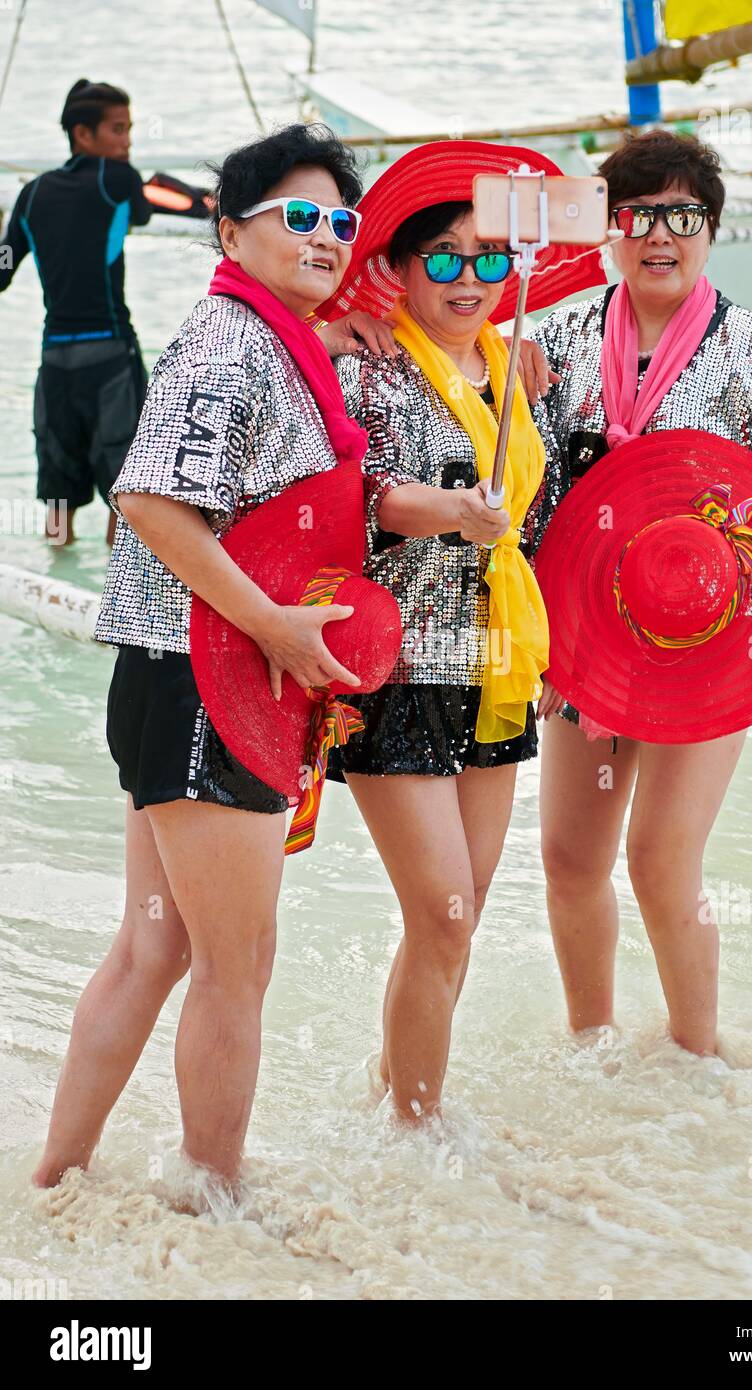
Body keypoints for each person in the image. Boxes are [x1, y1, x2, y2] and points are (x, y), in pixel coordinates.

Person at [32, 123, 370, 1193]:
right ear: (229, 231)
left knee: (154, 947)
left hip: (170, 677)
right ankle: (208, 1189)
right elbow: (147, 502)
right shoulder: (232, 345)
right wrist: (273, 623)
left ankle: (55, 1178)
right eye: (299, 217)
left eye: (341, 222)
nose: (324, 238)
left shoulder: (277, 339)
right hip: (206, 679)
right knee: (235, 962)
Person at [519, 129, 752, 1057]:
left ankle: (699, 1058)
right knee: (569, 859)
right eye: (639, 214)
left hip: (710, 635)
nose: (660, 234)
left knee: (661, 863)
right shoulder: (562, 340)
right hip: (584, 631)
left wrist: (711, 526)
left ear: (711, 230)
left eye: (683, 216)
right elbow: (527, 496)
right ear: (610, 229)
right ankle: (594, 1047)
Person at [316, 140, 604, 1123]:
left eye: (487, 259)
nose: (468, 279)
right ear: (395, 269)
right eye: (441, 258)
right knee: (439, 913)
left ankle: (392, 1090)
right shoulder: (367, 362)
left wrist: (566, 653)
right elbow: (358, 499)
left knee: (459, 919)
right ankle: (417, 1129)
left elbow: (551, 515)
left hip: (497, 661)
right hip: (395, 665)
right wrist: (449, 511)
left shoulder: (521, 364)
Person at [0, 80, 154, 546]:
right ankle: (110, 597)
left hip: (56, 367)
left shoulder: (32, 193)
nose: (127, 140)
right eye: (118, 129)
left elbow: (3, 266)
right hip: (110, 359)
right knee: (126, 492)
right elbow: (147, 211)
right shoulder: (119, 181)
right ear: (83, 134)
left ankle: (53, 585)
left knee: (58, 499)